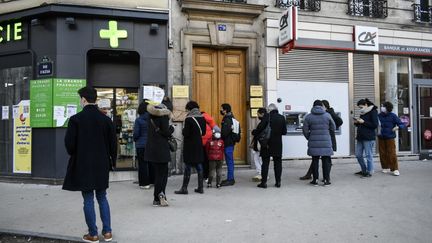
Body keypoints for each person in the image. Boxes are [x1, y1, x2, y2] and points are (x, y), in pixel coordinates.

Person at [63, 86, 117, 243]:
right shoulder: (106, 120)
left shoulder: (75, 120)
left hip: (83, 164)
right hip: (102, 164)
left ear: (84, 100)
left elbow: (70, 146)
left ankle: (93, 234)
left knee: (87, 198)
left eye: (80, 99)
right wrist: (112, 162)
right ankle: (107, 232)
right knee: (102, 197)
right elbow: (113, 146)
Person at [300, 100, 343, 181]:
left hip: (314, 142)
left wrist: (310, 137)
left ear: (313, 106)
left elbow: (305, 130)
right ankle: (326, 180)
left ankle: (315, 180)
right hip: (326, 141)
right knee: (326, 161)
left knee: (315, 161)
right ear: (321, 106)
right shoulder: (327, 115)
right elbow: (333, 127)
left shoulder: (308, 116)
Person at [145, 103, 174, 206]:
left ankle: (157, 197)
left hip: (151, 149)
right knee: (162, 174)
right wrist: (172, 129)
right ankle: (159, 196)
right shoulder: (163, 117)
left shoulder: (150, 116)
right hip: (161, 149)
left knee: (157, 173)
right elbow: (166, 132)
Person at [175, 101, 207, 194]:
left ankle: (184, 188)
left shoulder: (189, 119)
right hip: (198, 144)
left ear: (189, 109)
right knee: (199, 165)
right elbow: (203, 133)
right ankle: (200, 188)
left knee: (188, 166)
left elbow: (185, 133)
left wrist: (184, 129)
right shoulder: (202, 118)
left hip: (189, 145)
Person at [256, 104, 287, 188]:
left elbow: (259, 128)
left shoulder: (267, 117)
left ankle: (264, 183)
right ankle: (278, 182)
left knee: (265, 163)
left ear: (269, 110)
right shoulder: (281, 117)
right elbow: (284, 132)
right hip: (277, 144)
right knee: (278, 163)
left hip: (266, 144)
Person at [378, 101, 406, 176]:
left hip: (390, 137)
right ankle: (385, 167)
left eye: (383, 106)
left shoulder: (393, 116)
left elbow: (402, 124)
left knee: (391, 153)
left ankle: (395, 169)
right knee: (382, 153)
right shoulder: (379, 115)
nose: (381, 107)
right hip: (381, 136)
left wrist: (398, 127)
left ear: (387, 107)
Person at [354, 98, 379, 178]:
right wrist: (357, 123)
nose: (360, 109)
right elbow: (362, 124)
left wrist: (363, 122)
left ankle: (369, 171)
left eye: (361, 107)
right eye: (359, 108)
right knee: (358, 155)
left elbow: (375, 125)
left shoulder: (373, 111)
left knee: (368, 155)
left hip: (368, 137)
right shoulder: (363, 112)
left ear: (366, 105)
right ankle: (364, 170)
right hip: (360, 137)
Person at [133, 100, 154, 189]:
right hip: (151, 144)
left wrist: (135, 139)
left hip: (141, 145)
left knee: (142, 164)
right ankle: (152, 181)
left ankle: (144, 183)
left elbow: (136, 134)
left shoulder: (139, 120)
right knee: (151, 163)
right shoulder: (152, 119)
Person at [220, 103, 238, 186]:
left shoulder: (227, 119)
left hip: (228, 143)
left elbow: (224, 133)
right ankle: (230, 178)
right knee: (229, 161)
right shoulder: (232, 117)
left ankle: (230, 179)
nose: (221, 110)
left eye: (222, 109)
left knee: (229, 161)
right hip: (230, 142)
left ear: (225, 110)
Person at [251, 108, 267, 182]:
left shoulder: (264, 122)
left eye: (258, 114)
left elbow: (258, 131)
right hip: (262, 143)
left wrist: (254, 131)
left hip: (260, 143)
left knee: (257, 158)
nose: (258, 116)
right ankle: (262, 173)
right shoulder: (267, 120)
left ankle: (261, 173)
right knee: (259, 158)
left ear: (262, 114)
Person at [201, 111, 217, 181]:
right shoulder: (210, 121)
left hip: (201, 143)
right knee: (209, 160)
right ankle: (208, 175)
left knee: (202, 160)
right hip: (209, 144)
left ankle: (203, 175)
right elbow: (217, 130)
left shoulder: (199, 120)